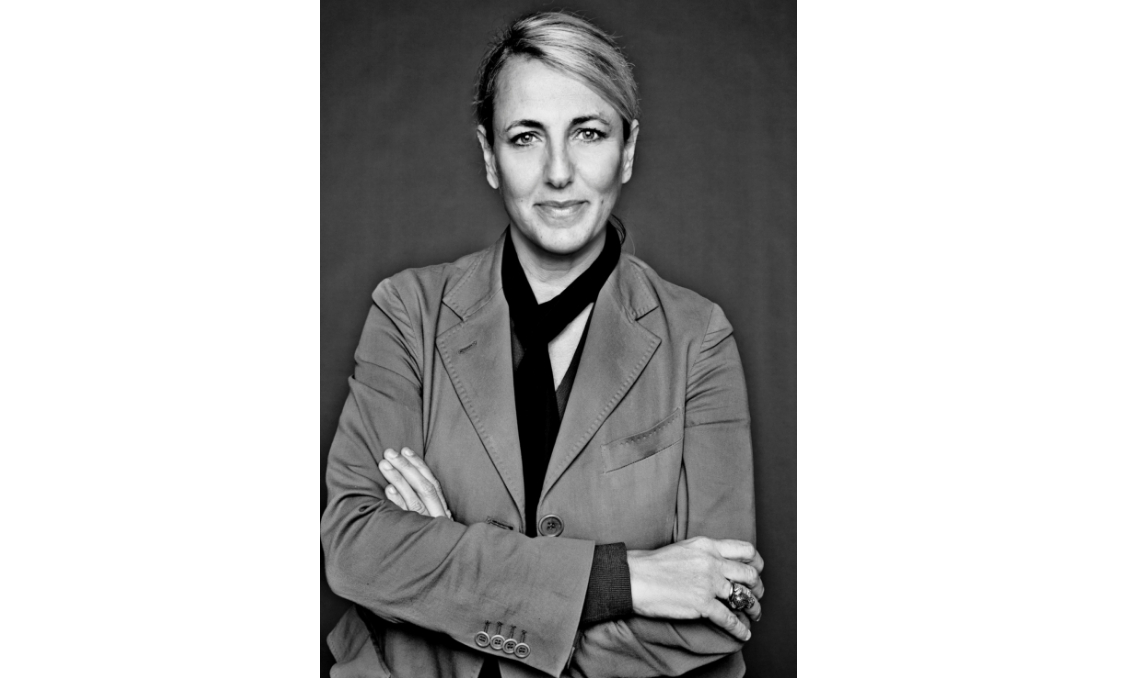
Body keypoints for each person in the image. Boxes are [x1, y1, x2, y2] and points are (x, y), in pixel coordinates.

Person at [322, 11, 763, 678]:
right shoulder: (408, 312)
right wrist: (622, 579)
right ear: (489, 156)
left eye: (589, 133)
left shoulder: (698, 338)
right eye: (526, 137)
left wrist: (444, 565)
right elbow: (358, 550)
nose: (559, 172)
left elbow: (719, 602)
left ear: (628, 150)